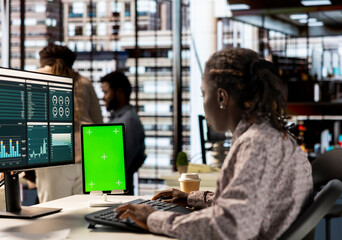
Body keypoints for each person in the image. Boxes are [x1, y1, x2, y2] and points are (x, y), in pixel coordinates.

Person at [114, 48, 313, 239]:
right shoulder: (275, 136)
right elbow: (247, 205)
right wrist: (191, 198)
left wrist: (152, 217)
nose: (202, 102)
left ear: (221, 97)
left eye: (203, 94)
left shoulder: (256, 144)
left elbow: (229, 227)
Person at [35, 43, 103, 203]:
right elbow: (98, 123)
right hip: (89, 155)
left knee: (53, 214)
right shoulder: (84, 82)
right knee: (83, 213)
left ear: (43, 61)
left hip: (55, 155)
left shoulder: (37, 77)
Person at [100, 71, 145, 195]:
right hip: (109, 190)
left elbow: (120, 164)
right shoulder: (117, 118)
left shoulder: (129, 121)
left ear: (119, 92)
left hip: (117, 193)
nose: (103, 97)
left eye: (106, 92)